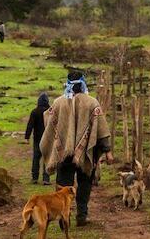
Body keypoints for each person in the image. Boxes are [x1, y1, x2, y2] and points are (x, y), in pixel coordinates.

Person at [40, 71, 114, 226]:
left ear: (68, 83)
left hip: (63, 154)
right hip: (86, 153)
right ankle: (82, 215)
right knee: (85, 183)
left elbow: (48, 121)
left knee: (63, 186)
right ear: (83, 83)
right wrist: (107, 151)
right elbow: (101, 129)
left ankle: (62, 217)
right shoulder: (92, 102)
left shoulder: (59, 102)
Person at [25, 93, 51, 185]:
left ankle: (34, 178)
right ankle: (46, 179)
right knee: (47, 159)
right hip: (48, 139)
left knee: (36, 158)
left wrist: (27, 137)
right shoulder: (50, 111)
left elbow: (30, 125)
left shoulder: (34, 112)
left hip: (37, 139)